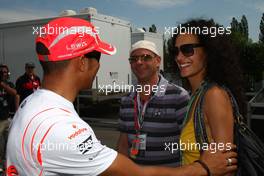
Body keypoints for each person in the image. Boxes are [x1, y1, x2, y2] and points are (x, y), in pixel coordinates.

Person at [6, 17, 237, 176]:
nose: (99, 65)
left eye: (187, 50)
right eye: (98, 56)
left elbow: (225, 160)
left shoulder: (31, 103)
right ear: (83, 62)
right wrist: (203, 169)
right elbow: (130, 167)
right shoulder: (63, 127)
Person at [171, 19, 245, 172]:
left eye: (187, 49)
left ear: (208, 51)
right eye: (175, 51)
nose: (179, 57)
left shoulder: (214, 95)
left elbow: (227, 166)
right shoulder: (197, 95)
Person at [117, 40, 189, 166]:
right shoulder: (127, 100)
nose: (139, 62)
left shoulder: (178, 97)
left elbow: (190, 145)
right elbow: (123, 144)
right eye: (133, 59)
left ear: (158, 61)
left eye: (146, 57)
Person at [0, 64, 17, 171]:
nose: (3, 74)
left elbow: (15, 93)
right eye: (1, 72)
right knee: (0, 145)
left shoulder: (9, 84)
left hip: (7, 118)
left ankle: (7, 165)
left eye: (5, 72)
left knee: (9, 144)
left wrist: (3, 85)